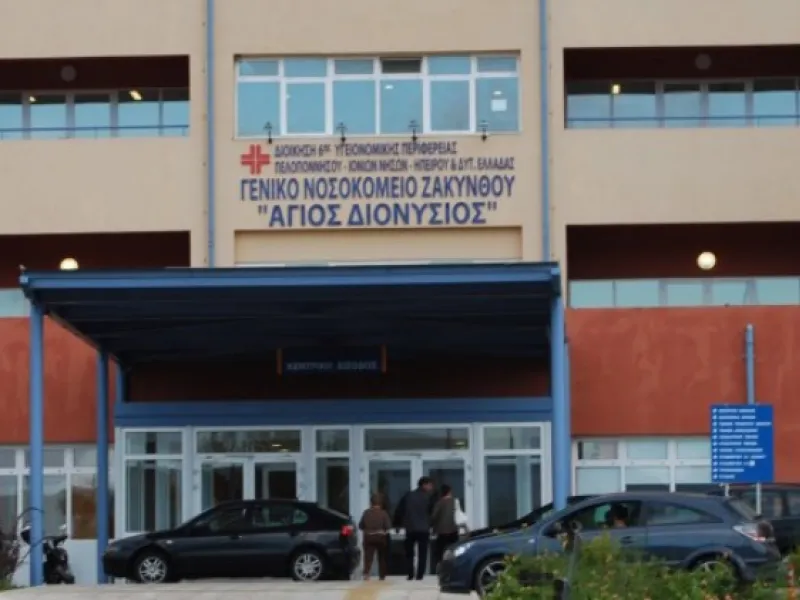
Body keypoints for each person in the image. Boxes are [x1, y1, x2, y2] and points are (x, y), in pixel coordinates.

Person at [394, 476, 434, 580]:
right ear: (424, 485)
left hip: (410, 528)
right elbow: (433, 513)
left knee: (409, 553)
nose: (431, 487)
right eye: (430, 485)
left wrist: (397, 525)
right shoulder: (429, 498)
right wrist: (433, 525)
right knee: (422, 554)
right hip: (424, 529)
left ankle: (410, 574)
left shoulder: (408, 496)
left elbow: (399, 510)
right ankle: (420, 575)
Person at [358, 493, 391, 581]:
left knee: (368, 557)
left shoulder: (366, 513)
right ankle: (382, 575)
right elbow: (388, 526)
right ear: (381, 503)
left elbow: (360, 526)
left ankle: (366, 574)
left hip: (368, 537)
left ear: (371, 502)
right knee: (382, 557)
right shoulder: (383, 513)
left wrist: (367, 529)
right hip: (381, 538)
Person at [431, 484, 460, 573]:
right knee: (454, 551)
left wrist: (434, 527)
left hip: (442, 531)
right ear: (449, 491)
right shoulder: (455, 501)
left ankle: (441, 570)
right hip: (453, 530)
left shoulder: (439, 503)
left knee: (440, 552)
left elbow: (434, 516)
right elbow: (459, 515)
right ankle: (454, 569)